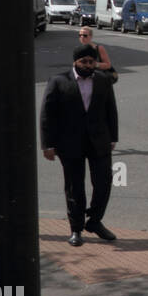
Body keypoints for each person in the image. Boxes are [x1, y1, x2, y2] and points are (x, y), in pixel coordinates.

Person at [40, 44, 119, 247]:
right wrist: (47, 144)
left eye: (92, 62)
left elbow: (111, 110)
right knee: (75, 187)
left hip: (99, 140)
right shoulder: (58, 81)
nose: (88, 65)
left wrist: (113, 138)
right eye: (84, 62)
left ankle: (94, 221)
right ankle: (76, 229)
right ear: (75, 62)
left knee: (103, 183)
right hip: (70, 143)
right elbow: (47, 115)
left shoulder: (103, 80)